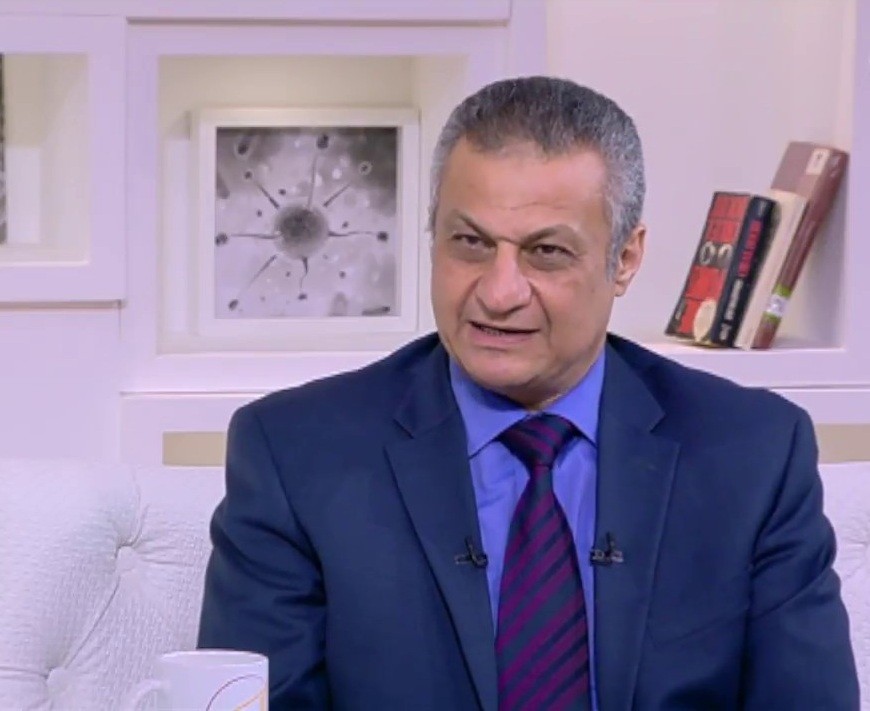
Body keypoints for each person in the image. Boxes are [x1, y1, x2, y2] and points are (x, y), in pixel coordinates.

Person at [198, 76, 859, 710]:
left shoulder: (753, 455)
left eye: (546, 252)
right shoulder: (294, 454)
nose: (499, 291)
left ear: (625, 259)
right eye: (470, 243)